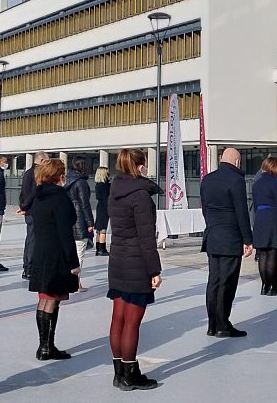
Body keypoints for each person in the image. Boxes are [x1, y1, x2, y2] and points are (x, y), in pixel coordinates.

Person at [106, 148, 162, 391]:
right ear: (140, 166)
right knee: (132, 322)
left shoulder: (115, 190)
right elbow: (146, 237)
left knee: (118, 317)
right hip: (136, 261)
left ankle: (119, 372)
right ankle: (130, 372)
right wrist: (154, 270)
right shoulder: (140, 196)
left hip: (118, 259)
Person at [27, 158, 81, 361]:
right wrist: (73, 262)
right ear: (59, 176)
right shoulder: (59, 198)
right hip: (56, 254)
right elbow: (65, 232)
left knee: (44, 298)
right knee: (52, 299)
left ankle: (44, 344)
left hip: (41, 251)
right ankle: (46, 347)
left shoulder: (39, 196)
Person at [200, 147, 253, 338]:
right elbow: (241, 212)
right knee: (227, 282)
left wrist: (212, 226)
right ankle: (223, 324)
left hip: (212, 235)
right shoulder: (236, 180)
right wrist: (248, 239)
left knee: (213, 281)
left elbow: (204, 209)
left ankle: (212, 324)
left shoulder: (207, 179)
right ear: (237, 162)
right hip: (230, 237)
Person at [251, 156, 277, 296]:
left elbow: (255, 205)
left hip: (260, 218)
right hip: (273, 218)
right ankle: (273, 285)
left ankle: (265, 285)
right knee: (272, 253)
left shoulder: (256, 183)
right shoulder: (276, 183)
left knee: (263, 253)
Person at [65, 156, 95, 290]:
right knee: (79, 253)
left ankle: (70, 280)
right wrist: (90, 222)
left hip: (68, 220)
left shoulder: (65, 180)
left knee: (70, 252)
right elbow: (84, 204)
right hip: (80, 221)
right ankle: (75, 282)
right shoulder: (81, 182)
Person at [20, 151, 50, 280]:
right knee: (34, 240)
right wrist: (25, 206)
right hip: (35, 210)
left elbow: (23, 192)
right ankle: (30, 268)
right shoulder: (37, 173)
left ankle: (28, 267)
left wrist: (23, 205)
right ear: (42, 160)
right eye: (47, 161)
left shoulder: (28, 172)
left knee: (30, 239)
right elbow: (33, 192)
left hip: (30, 210)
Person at [94, 166, 112, 257]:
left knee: (98, 229)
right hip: (104, 207)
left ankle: (98, 248)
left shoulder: (97, 185)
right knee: (103, 229)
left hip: (99, 206)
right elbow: (106, 199)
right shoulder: (105, 186)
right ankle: (102, 249)